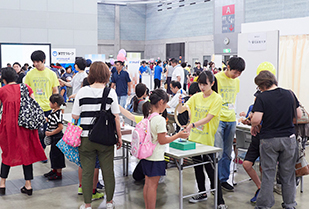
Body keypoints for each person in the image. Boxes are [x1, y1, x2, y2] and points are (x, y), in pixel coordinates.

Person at [72, 61, 122, 209]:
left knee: (87, 171)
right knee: (108, 171)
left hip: (86, 138)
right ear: (106, 75)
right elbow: (116, 117)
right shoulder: (110, 92)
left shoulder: (82, 92)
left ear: (91, 74)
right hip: (106, 138)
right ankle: (110, 202)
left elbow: (75, 116)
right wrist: (119, 137)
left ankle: (87, 205)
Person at [250, 70, 301, 209]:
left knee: (268, 174)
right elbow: (299, 114)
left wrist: (252, 119)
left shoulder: (262, 97)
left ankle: (264, 205)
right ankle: (290, 204)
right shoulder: (289, 93)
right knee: (288, 174)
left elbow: (256, 120)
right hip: (288, 139)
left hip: (269, 140)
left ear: (261, 85)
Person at [178, 71, 227, 209]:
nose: (202, 87)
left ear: (212, 83)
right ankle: (201, 192)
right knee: (198, 168)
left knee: (211, 170)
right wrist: (180, 102)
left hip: (207, 141)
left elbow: (209, 117)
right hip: (194, 139)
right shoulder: (196, 97)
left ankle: (220, 201)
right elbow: (182, 110)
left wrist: (193, 124)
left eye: (205, 84)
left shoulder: (217, 99)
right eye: (200, 84)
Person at [0, 67, 47, 196]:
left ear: (4, 79)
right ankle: (28, 185)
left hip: (8, 126)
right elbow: (33, 104)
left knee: (7, 152)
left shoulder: (2, 91)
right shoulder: (26, 87)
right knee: (26, 153)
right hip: (25, 125)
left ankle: (2, 184)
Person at [140, 88, 189, 209]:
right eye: (166, 103)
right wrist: (178, 135)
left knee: (147, 184)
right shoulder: (160, 119)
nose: (166, 106)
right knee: (153, 186)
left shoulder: (148, 117)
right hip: (156, 157)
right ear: (161, 102)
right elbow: (162, 141)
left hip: (147, 156)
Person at [213, 57, 246, 192]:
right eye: (235, 72)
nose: (237, 75)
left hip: (231, 118)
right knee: (218, 151)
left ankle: (223, 179)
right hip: (218, 119)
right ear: (228, 66)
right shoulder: (216, 78)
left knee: (228, 152)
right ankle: (214, 180)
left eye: (240, 73)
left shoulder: (236, 81)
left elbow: (234, 100)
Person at [24, 50, 59, 157]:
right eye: (34, 62)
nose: (35, 64)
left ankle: (41, 151)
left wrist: (56, 106)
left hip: (48, 108)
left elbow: (55, 91)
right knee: (34, 132)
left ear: (43, 60)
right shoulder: (29, 74)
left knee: (45, 132)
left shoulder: (51, 74)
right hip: (34, 108)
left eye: (37, 61)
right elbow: (26, 90)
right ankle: (37, 152)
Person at [43, 94, 66, 180]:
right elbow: (53, 121)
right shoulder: (53, 112)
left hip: (57, 137)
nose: (49, 104)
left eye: (50, 102)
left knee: (58, 155)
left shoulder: (58, 113)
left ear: (55, 104)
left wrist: (51, 133)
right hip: (53, 138)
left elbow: (60, 127)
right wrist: (47, 119)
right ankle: (54, 170)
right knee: (53, 154)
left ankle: (58, 173)